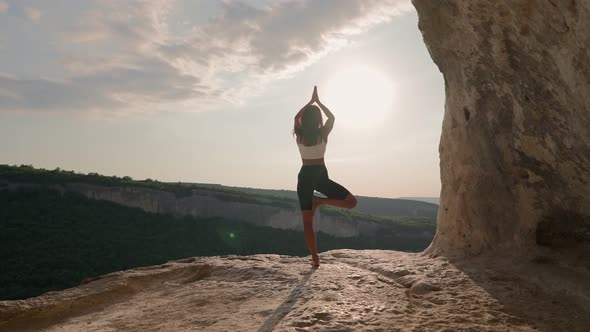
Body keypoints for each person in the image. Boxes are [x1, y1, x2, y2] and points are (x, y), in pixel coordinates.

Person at [293, 85, 357, 268]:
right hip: (320, 175)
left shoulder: (299, 134)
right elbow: (332, 117)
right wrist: (319, 102)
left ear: (304, 119)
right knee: (352, 202)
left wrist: (309, 103)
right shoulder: (323, 134)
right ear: (318, 120)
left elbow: (295, 118)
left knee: (307, 222)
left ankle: (315, 258)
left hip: (305, 176)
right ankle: (315, 257)